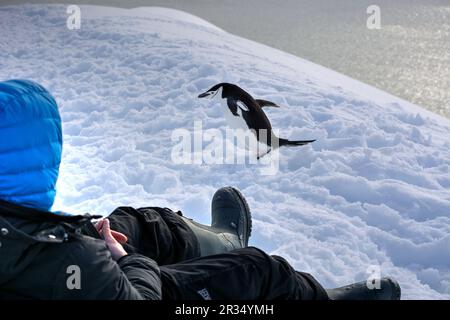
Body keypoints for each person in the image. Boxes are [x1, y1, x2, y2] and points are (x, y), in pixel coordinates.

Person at [0, 79, 401, 300]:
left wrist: (89, 239)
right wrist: (126, 262)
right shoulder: (75, 261)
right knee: (253, 269)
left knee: (138, 222)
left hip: (28, 252)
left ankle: (222, 240)